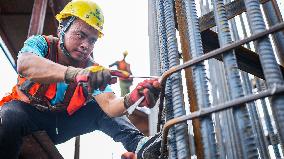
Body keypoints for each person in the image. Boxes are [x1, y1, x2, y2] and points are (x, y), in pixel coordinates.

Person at [0, 0, 162, 158]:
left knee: (98, 109)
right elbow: (25, 64)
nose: (86, 45)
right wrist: (76, 74)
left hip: (60, 126)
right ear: (62, 29)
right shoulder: (41, 44)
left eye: (92, 40)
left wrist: (132, 98)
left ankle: (141, 145)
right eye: (80, 35)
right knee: (12, 112)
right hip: (28, 118)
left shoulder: (93, 70)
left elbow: (110, 105)